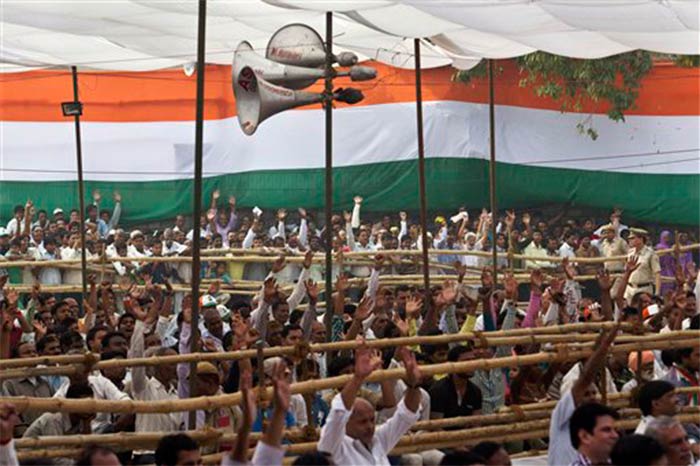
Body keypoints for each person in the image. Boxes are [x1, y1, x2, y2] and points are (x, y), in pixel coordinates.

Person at [317, 343, 422, 465]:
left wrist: (414, 386)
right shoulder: (333, 446)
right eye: (362, 421)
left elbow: (406, 415)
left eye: (372, 420)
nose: (369, 426)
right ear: (345, 422)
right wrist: (357, 378)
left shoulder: (378, 440)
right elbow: (339, 412)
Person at [548, 324, 620, 466]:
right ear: (583, 436)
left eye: (594, 393)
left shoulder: (597, 433)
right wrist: (604, 346)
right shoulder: (562, 419)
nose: (592, 397)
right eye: (586, 394)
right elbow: (586, 378)